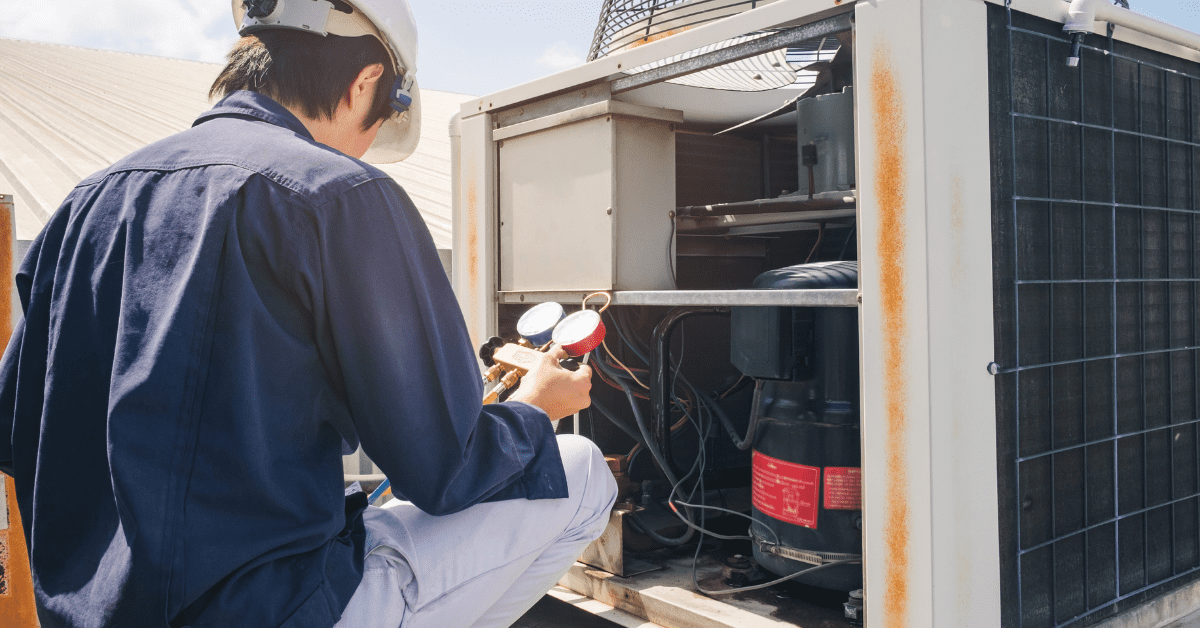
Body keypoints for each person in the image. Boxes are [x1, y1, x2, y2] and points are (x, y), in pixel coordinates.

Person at [0, 0, 616, 626]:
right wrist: (535, 408)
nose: (368, 149)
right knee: (583, 473)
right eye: (383, 122)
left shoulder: (85, 206)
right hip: (277, 610)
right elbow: (442, 469)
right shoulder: (341, 195)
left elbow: (15, 434)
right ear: (367, 82)